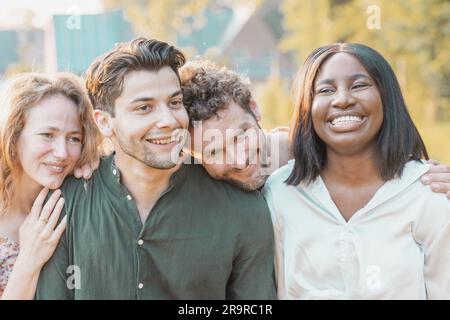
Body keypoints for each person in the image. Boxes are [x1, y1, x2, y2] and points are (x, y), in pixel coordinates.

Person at [35, 38, 276, 299]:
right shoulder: (63, 205)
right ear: (105, 123)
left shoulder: (244, 210)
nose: (168, 121)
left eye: (174, 103)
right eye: (144, 108)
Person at [263, 43, 450, 299]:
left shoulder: (429, 194)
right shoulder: (281, 193)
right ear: (307, 107)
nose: (342, 100)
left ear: (387, 97)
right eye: (326, 90)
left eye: (359, 85)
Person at [180, 59, 450, 196]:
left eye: (241, 136)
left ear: (254, 108)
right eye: (214, 152)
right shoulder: (198, 189)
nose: (239, 160)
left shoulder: (326, 153)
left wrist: (432, 181)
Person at [0, 72, 101, 299]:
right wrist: (29, 260)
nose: (62, 153)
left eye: (74, 138)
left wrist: (96, 165)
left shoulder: (77, 195)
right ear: (12, 137)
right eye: (47, 135)